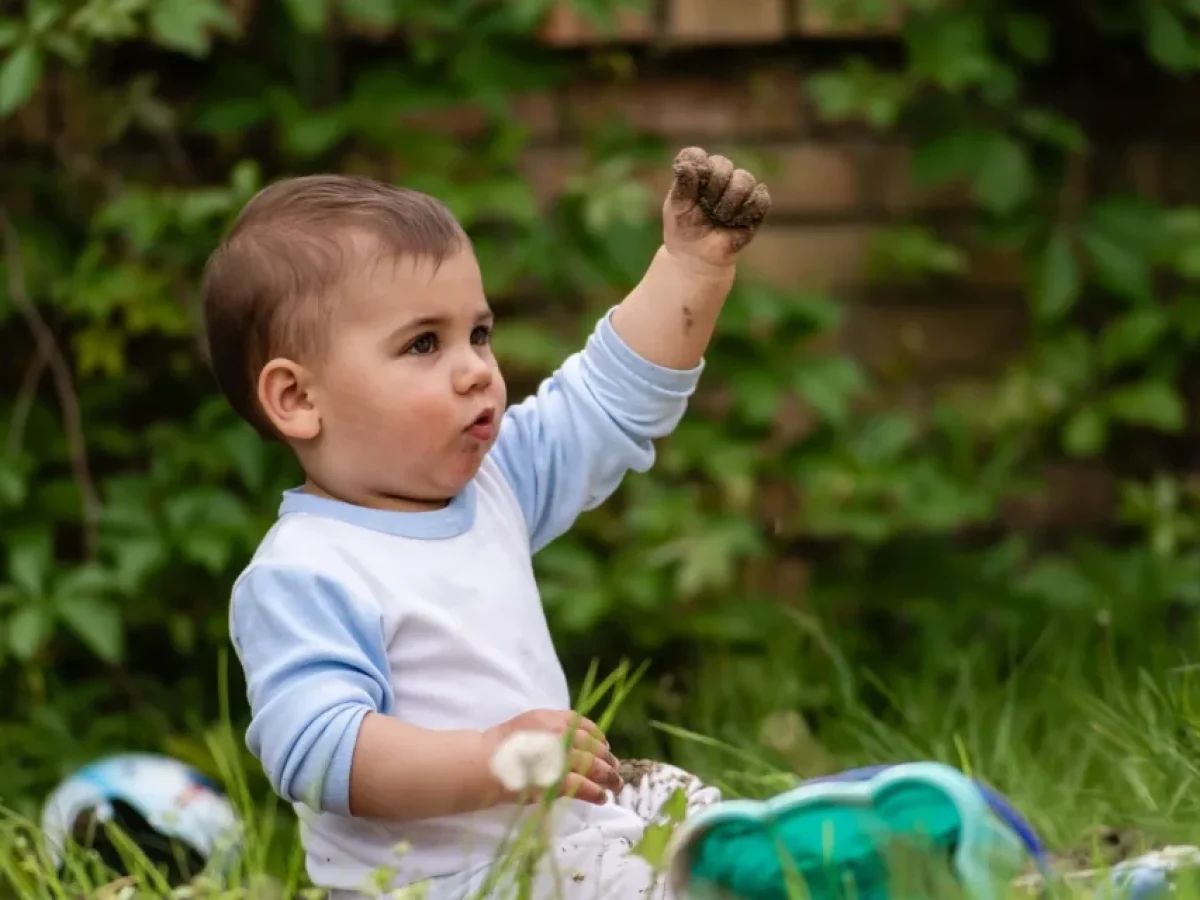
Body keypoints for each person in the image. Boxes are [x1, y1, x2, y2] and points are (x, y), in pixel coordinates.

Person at [202, 147, 770, 899]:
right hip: (445, 886)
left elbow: (605, 405)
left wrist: (691, 267)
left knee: (705, 828)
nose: (476, 368)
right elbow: (319, 750)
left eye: (479, 332)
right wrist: (495, 759)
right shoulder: (307, 570)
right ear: (299, 400)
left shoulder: (493, 483)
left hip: (553, 853)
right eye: (424, 344)